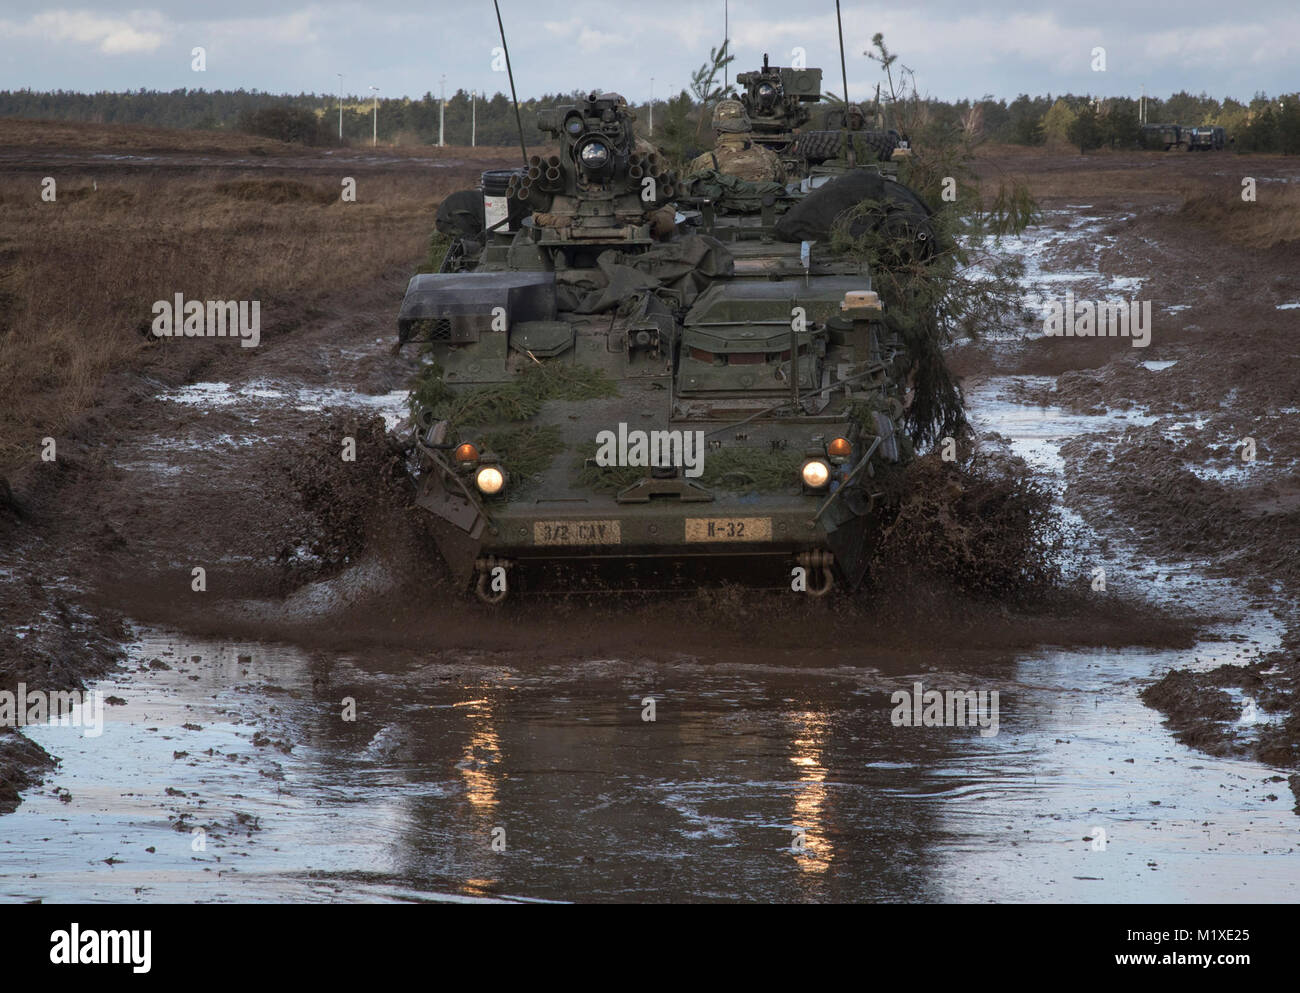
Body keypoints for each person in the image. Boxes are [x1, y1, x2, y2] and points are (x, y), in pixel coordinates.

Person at [687, 99, 786, 183]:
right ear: (746, 122)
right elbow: (781, 187)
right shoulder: (770, 158)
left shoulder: (704, 162)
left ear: (718, 128)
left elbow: (690, 191)